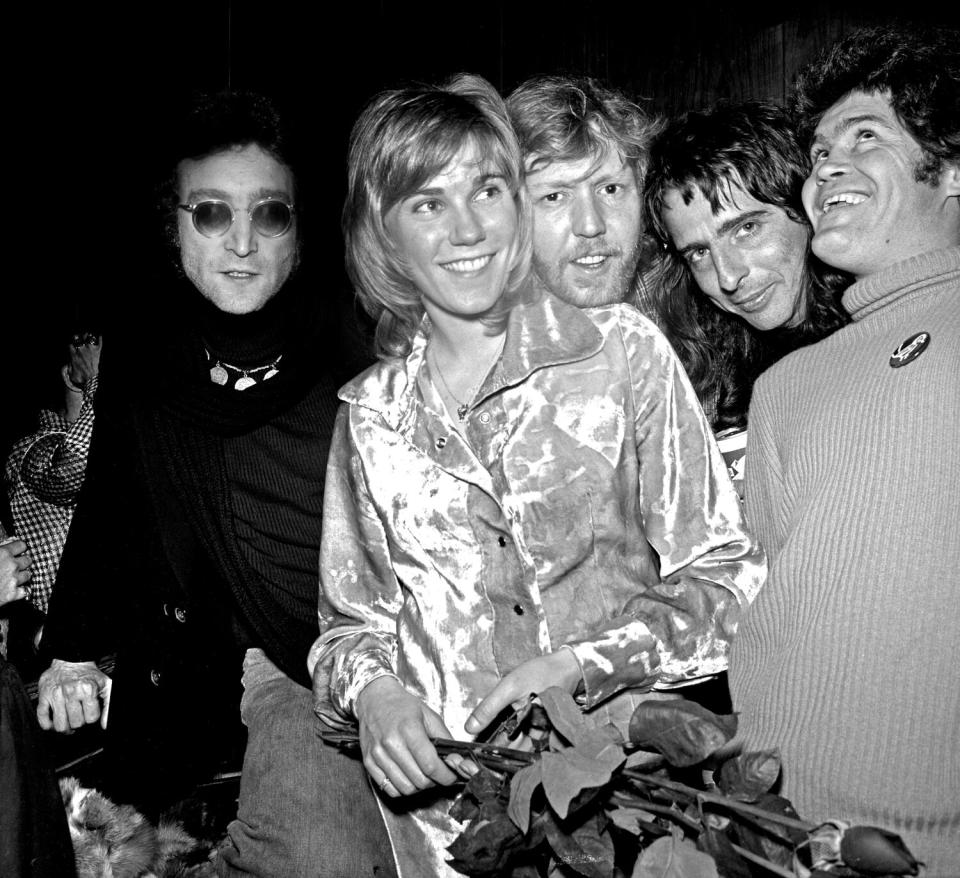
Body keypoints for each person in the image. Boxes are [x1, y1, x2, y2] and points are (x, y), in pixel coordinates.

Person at [310, 72, 765, 878]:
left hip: (625, 795)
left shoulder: (622, 352)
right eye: (427, 203)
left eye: (487, 188)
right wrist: (375, 697)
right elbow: (349, 626)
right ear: (385, 237)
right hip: (445, 822)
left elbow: (725, 579)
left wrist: (585, 668)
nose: (467, 228)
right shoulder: (370, 414)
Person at [33, 91, 394, 877]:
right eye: (210, 214)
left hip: (317, 664)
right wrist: (74, 652)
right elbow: (112, 498)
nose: (241, 243)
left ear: (300, 232)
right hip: (185, 671)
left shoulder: (360, 342)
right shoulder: (152, 346)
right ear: (174, 226)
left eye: (269, 215)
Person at [728, 25, 959, 875]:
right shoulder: (784, 387)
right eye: (819, 152)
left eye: (866, 138)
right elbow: (754, 602)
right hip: (759, 834)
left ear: (953, 168)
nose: (825, 167)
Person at [642, 101, 848, 437]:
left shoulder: (884, 331)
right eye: (698, 252)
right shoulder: (708, 373)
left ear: (806, 207)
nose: (727, 277)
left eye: (746, 229)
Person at [506, 75, 660, 312]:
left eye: (610, 189)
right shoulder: (478, 337)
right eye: (554, 197)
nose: (590, 225)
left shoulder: (685, 307)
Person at [5, 332, 101, 622]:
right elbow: (70, 471)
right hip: (62, 648)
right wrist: (94, 379)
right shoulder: (29, 451)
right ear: (72, 376)